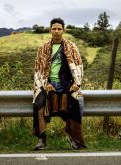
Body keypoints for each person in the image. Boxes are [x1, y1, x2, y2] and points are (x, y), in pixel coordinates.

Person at [32, 18, 86, 150]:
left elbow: (79, 66)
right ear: (50, 30)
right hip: (48, 84)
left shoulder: (71, 47)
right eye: (54, 29)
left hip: (67, 83)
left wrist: (77, 84)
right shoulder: (43, 48)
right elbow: (38, 69)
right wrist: (45, 84)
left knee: (76, 103)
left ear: (64, 30)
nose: (56, 31)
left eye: (59, 29)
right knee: (38, 103)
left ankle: (74, 138)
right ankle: (42, 139)